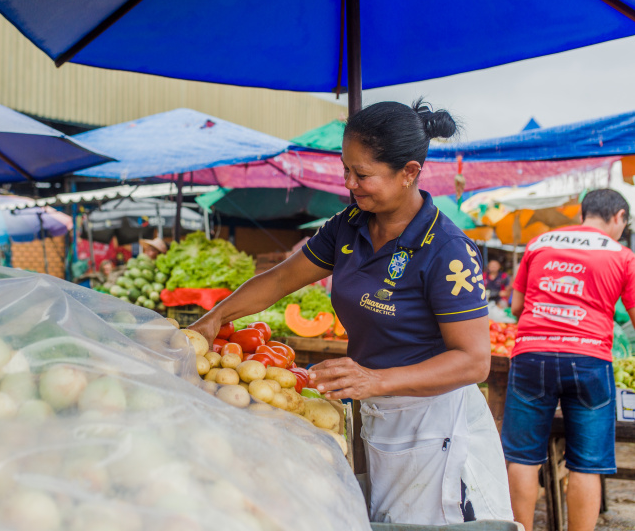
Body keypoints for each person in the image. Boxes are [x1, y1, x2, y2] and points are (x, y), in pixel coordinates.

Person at [189, 100, 512, 525]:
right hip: (377, 409)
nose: (350, 183)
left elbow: (474, 361)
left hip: (435, 424)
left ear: (409, 173)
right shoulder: (349, 224)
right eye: (346, 169)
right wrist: (214, 318)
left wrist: (375, 378)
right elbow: (279, 280)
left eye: (363, 175)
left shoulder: (448, 250)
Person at [502, 188, 635, 531]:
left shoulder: (539, 243)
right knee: (587, 464)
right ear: (619, 216)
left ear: (582, 214)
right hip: (590, 359)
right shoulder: (622, 255)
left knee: (522, 456)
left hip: (532, 354)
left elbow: (516, 308)